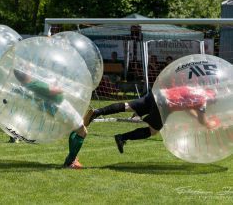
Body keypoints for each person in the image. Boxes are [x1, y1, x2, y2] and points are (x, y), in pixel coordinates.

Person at [83, 85, 217, 154]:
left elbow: (189, 108)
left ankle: (97, 112)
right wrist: (212, 124)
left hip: (157, 94)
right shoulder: (204, 101)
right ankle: (122, 137)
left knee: (127, 106)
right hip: (164, 105)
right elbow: (202, 120)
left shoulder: (194, 89)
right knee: (153, 131)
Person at [13, 69, 87, 169]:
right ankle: (70, 162)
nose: (30, 71)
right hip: (61, 109)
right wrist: (68, 88)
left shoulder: (26, 86)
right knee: (82, 132)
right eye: (28, 70)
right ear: (25, 74)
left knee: (74, 130)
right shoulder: (33, 84)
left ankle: (72, 159)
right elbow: (53, 91)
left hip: (57, 109)